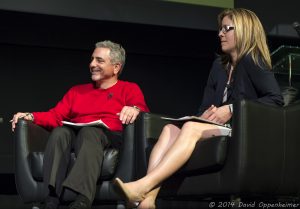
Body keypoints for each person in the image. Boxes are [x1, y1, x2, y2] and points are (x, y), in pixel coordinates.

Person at [113, 8, 284, 209]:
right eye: (220, 29)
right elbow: (205, 105)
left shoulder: (253, 60)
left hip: (242, 131)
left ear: (245, 30)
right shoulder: (219, 66)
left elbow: (276, 100)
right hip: (217, 127)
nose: (220, 34)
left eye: (227, 29)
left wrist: (231, 109)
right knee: (169, 129)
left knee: (191, 129)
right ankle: (148, 201)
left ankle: (143, 186)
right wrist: (203, 115)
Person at [11, 40, 149, 209]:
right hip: (76, 133)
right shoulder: (77, 91)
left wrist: (135, 109)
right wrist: (31, 116)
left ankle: (82, 200)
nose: (92, 64)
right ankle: (51, 198)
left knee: (90, 133)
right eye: (92, 59)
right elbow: (55, 116)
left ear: (116, 67)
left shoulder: (129, 88)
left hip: (108, 136)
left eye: (99, 60)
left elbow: (141, 110)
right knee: (60, 132)